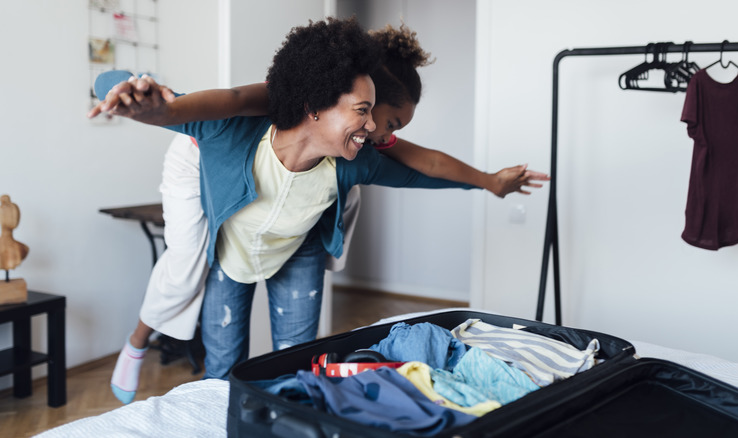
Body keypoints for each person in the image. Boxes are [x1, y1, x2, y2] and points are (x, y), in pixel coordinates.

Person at [95, 22, 549, 402]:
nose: (379, 132)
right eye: (369, 114)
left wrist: (490, 182)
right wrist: (146, 106)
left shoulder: (361, 154)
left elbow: (423, 167)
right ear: (315, 104)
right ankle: (137, 344)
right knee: (187, 268)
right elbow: (219, 101)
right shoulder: (238, 124)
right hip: (215, 201)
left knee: (299, 355)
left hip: (298, 230)